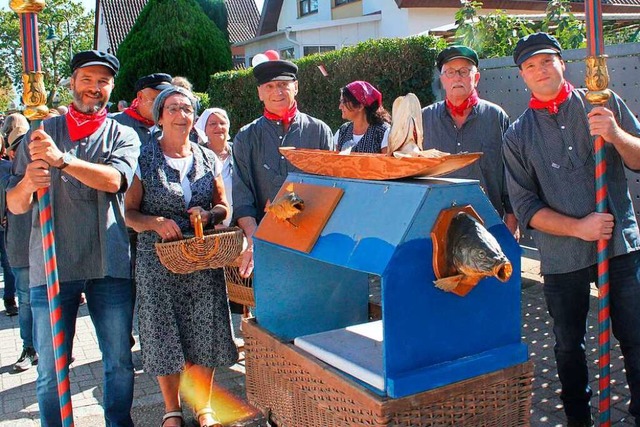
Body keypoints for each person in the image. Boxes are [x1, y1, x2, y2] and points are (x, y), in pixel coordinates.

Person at [503, 32, 640, 427]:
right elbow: (526, 206)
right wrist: (578, 227)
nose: (540, 70)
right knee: (567, 347)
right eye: (530, 66)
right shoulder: (517, 135)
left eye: (547, 61)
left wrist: (614, 134)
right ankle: (579, 420)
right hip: (562, 256)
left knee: (635, 336)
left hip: (619, 244)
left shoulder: (602, 102)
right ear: (522, 77)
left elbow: (637, 158)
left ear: (563, 64)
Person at [7, 50, 140, 427]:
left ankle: (118, 422)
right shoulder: (39, 133)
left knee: (118, 361)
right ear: (72, 82)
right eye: (87, 79)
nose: (94, 88)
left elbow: (115, 181)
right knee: (51, 368)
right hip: (50, 266)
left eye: (103, 81)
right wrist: (29, 184)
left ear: (112, 87)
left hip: (108, 263)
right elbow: (15, 205)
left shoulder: (123, 134)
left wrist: (62, 161)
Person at [125, 86, 237, 427]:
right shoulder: (144, 159)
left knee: (206, 331)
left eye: (187, 109)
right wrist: (155, 222)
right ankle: (172, 410)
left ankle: (203, 406)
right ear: (159, 117)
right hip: (157, 262)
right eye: (172, 108)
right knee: (164, 335)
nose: (181, 115)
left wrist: (209, 216)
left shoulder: (206, 157)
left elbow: (224, 207)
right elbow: (128, 213)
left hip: (202, 260)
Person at [233, 56, 333, 277]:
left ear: (295, 87)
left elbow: (332, 186)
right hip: (266, 244)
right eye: (269, 86)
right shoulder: (246, 137)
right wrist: (253, 238)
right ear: (260, 93)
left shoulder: (319, 131)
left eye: (282, 85)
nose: (276, 92)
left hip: (315, 243)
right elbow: (242, 198)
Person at [422, 45, 518, 237]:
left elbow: (510, 170)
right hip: (436, 224)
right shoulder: (424, 119)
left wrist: (512, 218)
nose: (457, 77)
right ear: (442, 80)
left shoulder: (495, 116)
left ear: (476, 77)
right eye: (450, 72)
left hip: (488, 223)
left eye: (464, 71)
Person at [1, 129, 38, 371]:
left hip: (49, 246)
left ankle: (54, 347)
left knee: (45, 299)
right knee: (26, 299)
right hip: (21, 245)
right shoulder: (6, 172)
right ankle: (29, 347)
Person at [195, 108, 233, 226]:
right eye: (212, 124)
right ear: (204, 130)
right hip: (212, 228)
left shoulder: (240, 152)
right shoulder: (198, 157)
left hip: (241, 225)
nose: (219, 127)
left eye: (222, 123)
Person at [113, 73, 173, 145]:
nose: (163, 105)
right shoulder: (114, 124)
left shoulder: (176, 125)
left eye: (167, 100)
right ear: (140, 96)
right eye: (157, 100)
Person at [334, 80, 390, 154]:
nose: (340, 107)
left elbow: (388, 164)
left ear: (360, 106)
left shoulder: (383, 133)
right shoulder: (342, 131)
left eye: (344, 101)